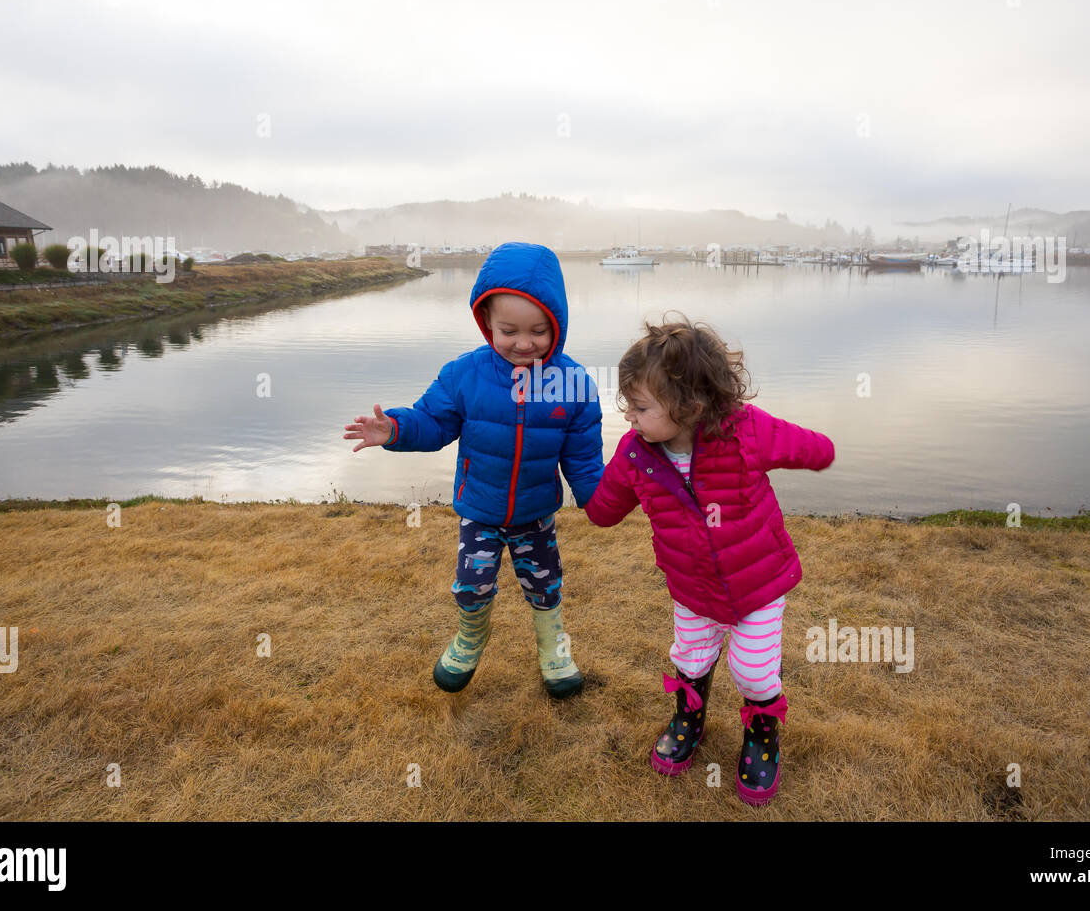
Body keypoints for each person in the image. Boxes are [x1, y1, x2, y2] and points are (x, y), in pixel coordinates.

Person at [582, 313, 835, 804]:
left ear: (689, 404)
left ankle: (762, 735)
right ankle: (689, 718)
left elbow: (811, 447)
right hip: (693, 588)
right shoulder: (636, 455)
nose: (628, 417)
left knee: (754, 671)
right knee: (690, 657)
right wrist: (577, 468)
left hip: (757, 586)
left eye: (638, 407)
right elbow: (602, 512)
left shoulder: (745, 432)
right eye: (626, 406)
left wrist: (821, 452)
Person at [344, 242, 603, 698]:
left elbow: (583, 458)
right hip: (480, 511)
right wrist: (396, 429)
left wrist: (601, 499)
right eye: (509, 330)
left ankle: (553, 649)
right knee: (472, 585)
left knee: (545, 586)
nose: (524, 344)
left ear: (557, 324)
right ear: (486, 323)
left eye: (539, 331)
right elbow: (433, 422)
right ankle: (470, 637)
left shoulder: (574, 383)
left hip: (536, 513)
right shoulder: (463, 374)